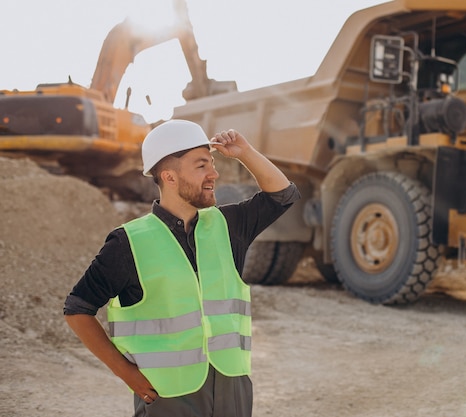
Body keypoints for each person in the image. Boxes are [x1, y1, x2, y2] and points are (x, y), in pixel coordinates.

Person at [63, 119, 300, 417]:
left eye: (212, 163)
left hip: (232, 388)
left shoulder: (228, 226)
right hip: (168, 395)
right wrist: (126, 373)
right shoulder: (128, 243)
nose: (214, 173)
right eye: (201, 165)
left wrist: (245, 152)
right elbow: (77, 309)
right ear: (170, 177)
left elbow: (283, 195)